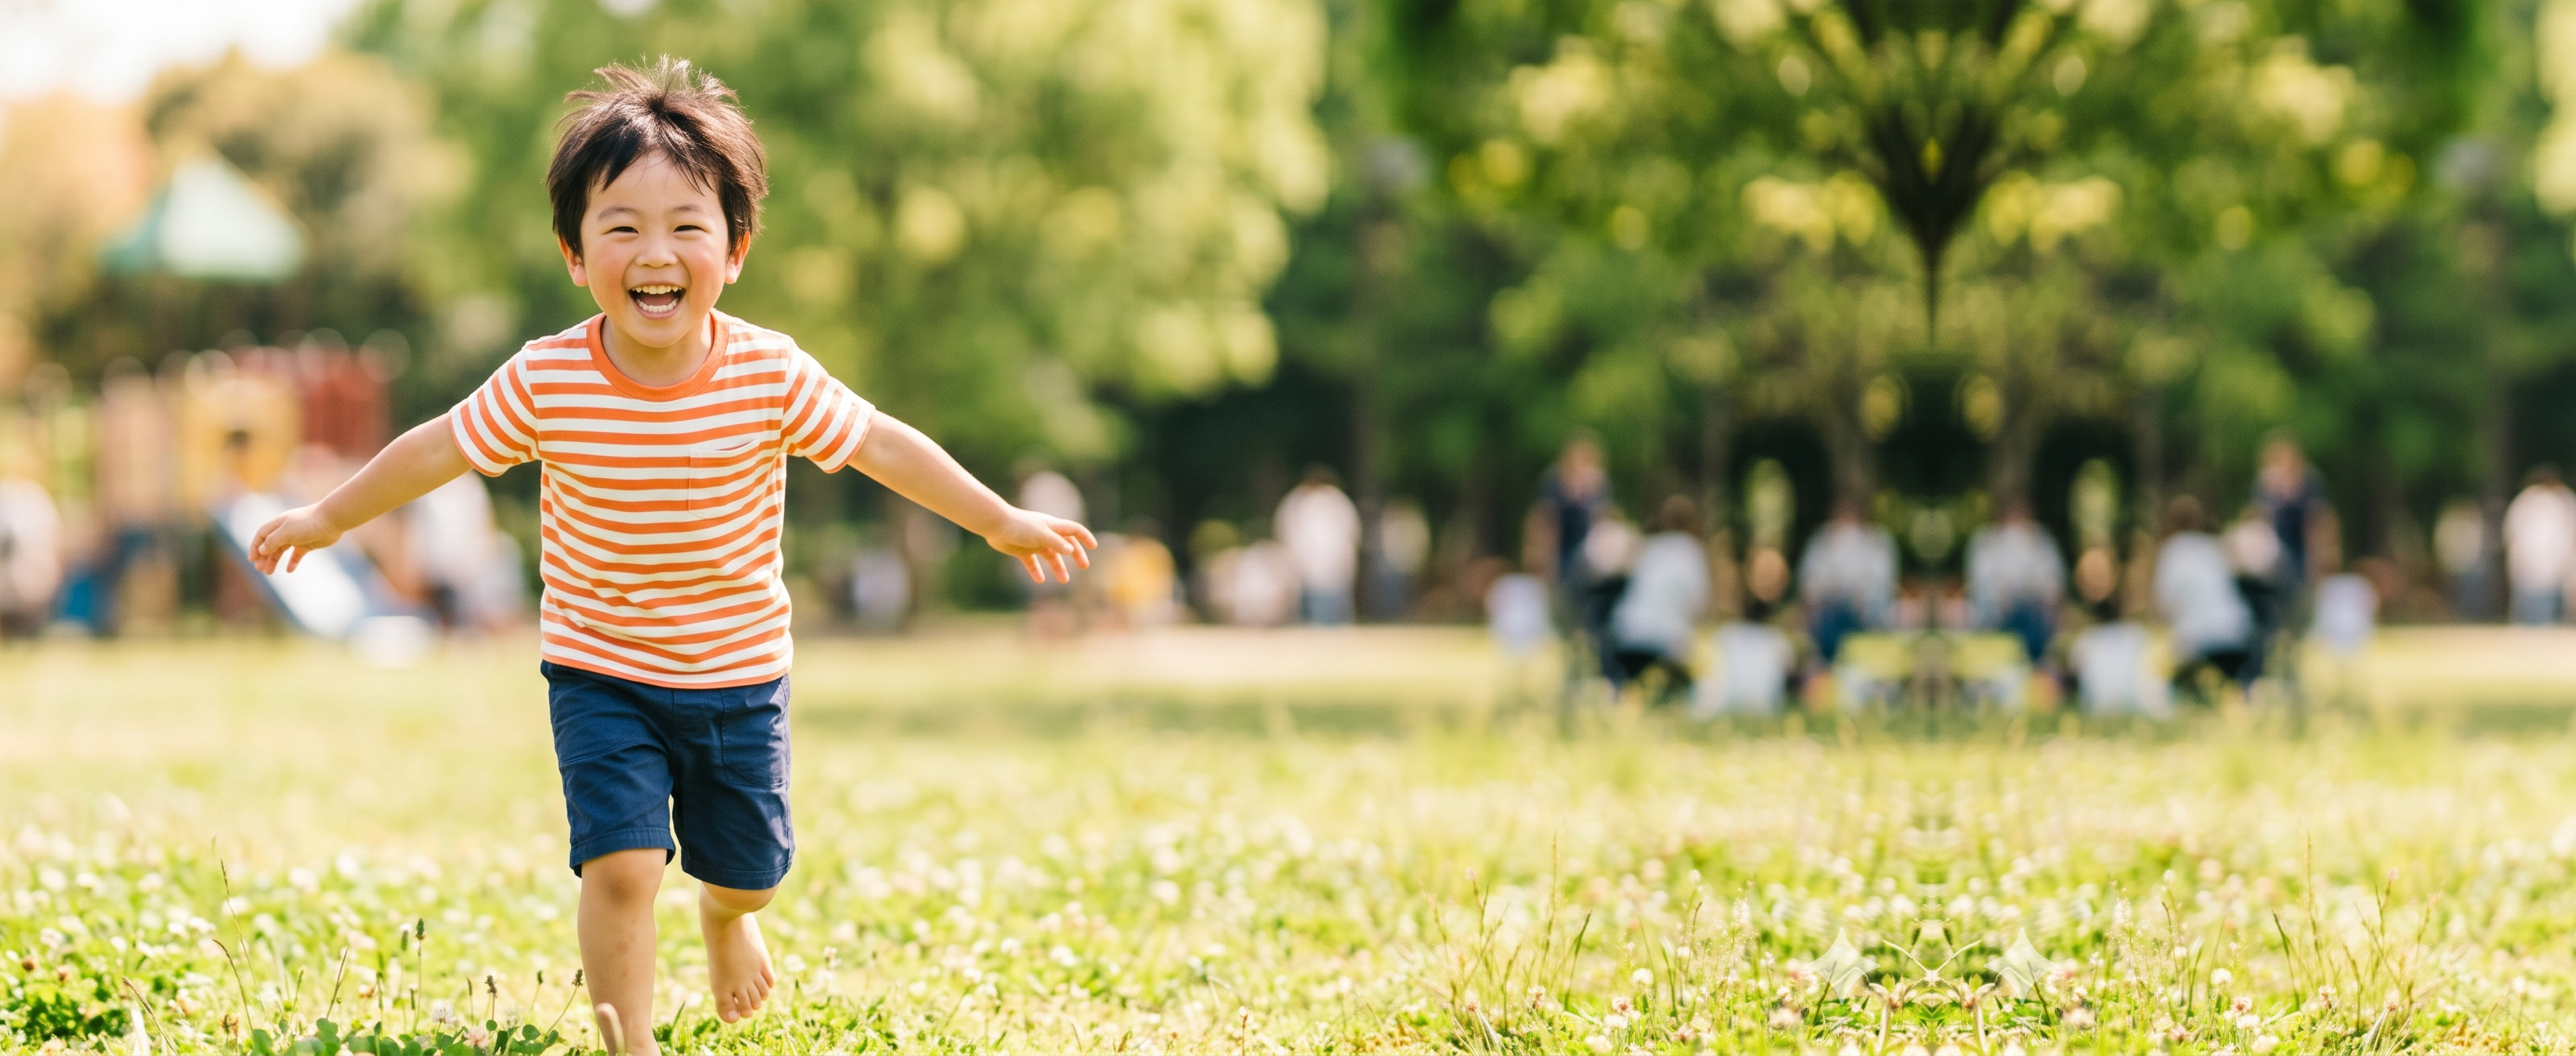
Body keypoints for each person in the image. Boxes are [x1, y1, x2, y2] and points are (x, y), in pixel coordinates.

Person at [246, 60, 1096, 1056]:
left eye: (686, 226)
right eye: (622, 228)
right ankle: (631, 1045)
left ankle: (725, 919)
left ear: (734, 251)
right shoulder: (547, 380)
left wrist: (996, 518)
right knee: (622, 867)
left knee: (748, 875)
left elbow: (878, 443)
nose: (655, 252)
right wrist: (330, 516)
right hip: (600, 667)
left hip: (738, 669)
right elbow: (438, 446)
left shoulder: (769, 372)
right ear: (575, 254)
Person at [1608, 496, 1710, 698]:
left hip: (1627, 635)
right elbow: (1700, 606)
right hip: (1665, 644)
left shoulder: (1650, 548)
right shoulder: (1692, 552)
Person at [2154, 497, 2256, 695]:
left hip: (2197, 644)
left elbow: (2164, 605)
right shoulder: (2214, 547)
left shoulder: (2171, 552)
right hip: (2236, 635)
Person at [1964, 497, 2066, 666]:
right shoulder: (1985, 542)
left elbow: (2053, 587)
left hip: (2036, 621)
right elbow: (1983, 591)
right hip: (1998, 623)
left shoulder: (2040, 539)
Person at [1798, 498, 1896, 665]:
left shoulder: (1878, 542)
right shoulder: (1823, 539)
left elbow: (1879, 591)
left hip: (1864, 622)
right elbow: (1810, 587)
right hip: (1827, 621)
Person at [1274, 466, 1360, 625]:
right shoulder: (1302, 501)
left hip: (1324, 566)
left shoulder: (1305, 501)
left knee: (1322, 611)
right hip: (1318, 566)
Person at [2503, 465, 2576, 625]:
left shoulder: (2526, 501)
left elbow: (2510, 533)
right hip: (2547, 566)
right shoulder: (2560, 501)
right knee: (2545, 615)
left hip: (2536, 566)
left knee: (2531, 613)